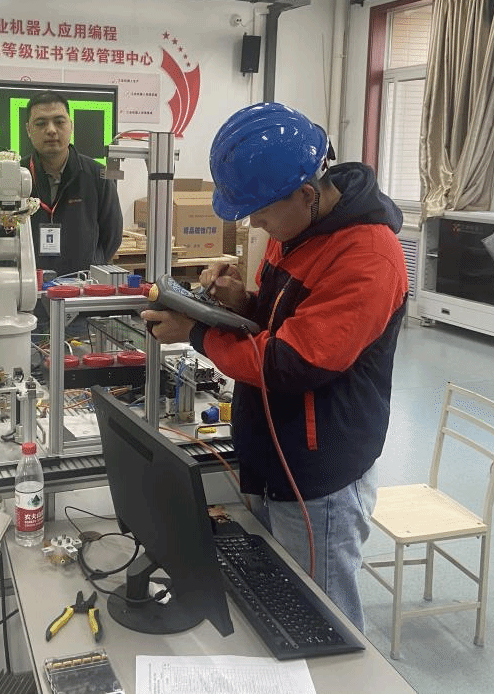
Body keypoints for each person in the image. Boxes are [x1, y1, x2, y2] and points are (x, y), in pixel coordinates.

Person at [142, 101, 408, 631]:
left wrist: (195, 332)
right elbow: (277, 321)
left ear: (307, 194)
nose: (254, 224)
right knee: (280, 607)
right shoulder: (297, 229)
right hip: (271, 456)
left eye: (260, 213)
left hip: (318, 476)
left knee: (323, 625)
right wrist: (238, 302)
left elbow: (291, 362)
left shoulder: (368, 257)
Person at [20, 90, 123, 280]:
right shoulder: (15, 176)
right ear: (28, 130)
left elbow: (112, 236)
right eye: (41, 123)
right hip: (27, 289)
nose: (51, 130)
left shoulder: (98, 175)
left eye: (59, 122)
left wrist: (90, 264)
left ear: (71, 126)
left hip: (83, 289)